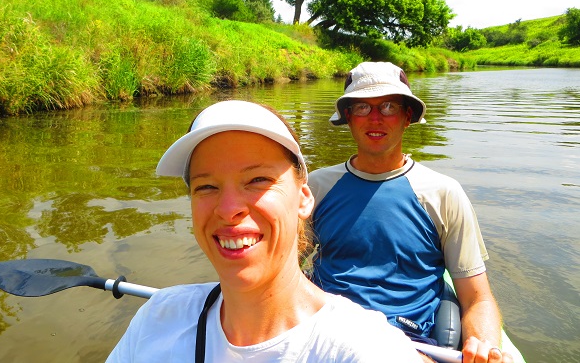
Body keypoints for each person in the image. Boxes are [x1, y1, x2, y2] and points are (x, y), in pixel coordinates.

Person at [106, 99, 425, 362]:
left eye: (257, 180)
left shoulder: (366, 350)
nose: (228, 209)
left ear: (303, 198)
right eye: (206, 186)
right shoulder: (158, 318)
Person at [309, 61, 514, 362]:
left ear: (407, 117)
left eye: (389, 106)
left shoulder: (444, 193)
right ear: (348, 118)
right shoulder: (315, 187)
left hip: (411, 344)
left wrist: (484, 346)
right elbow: (282, 268)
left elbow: (475, 297)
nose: (375, 118)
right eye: (363, 107)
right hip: (326, 334)